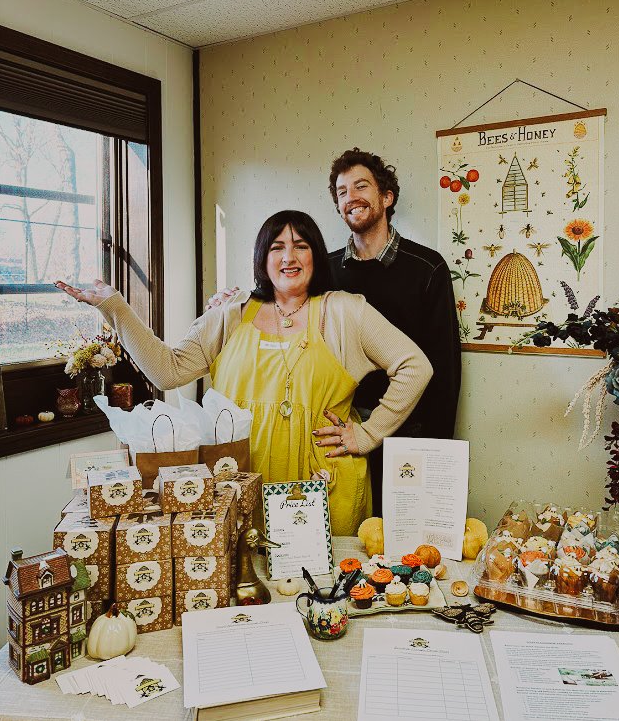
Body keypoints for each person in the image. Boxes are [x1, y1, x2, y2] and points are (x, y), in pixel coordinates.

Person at [55, 210, 431, 536]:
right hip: (237, 478)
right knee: (242, 583)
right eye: (277, 247)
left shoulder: (345, 312)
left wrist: (367, 435)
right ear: (262, 259)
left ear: (316, 256)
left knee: (322, 590)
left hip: (322, 482)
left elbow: (415, 367)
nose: (289, 257)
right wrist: (116, 308)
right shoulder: (230, 315)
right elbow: (166, 371)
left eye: (301, 246)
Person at [327, 148, 461, 515]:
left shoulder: (427, 268)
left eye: (361, 186)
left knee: (403, 539)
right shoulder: (325, 272)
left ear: (386, 197)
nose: (350, 197)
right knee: (350, 536)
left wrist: (435, 450)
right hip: (342, 435)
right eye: (341, 191)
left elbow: (444, 369)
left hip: (409, 435)